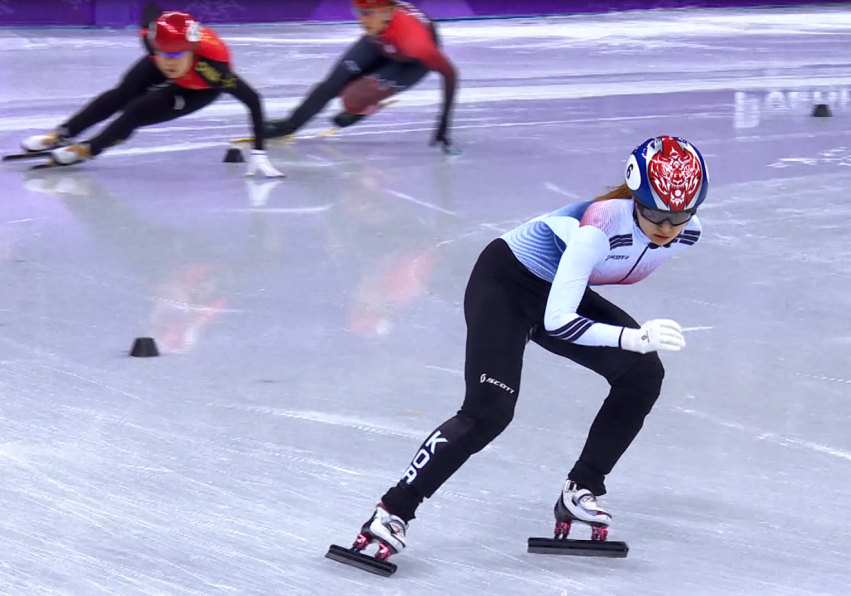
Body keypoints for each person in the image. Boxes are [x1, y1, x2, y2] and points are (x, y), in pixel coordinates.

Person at [344, 135, 709, 563]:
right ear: (633, 197)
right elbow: (558, 321)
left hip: (554, 290)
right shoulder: (598, 229)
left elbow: (567, 303)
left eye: (679, 215)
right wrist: (632, 337)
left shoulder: (688, 234)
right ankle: (392, 512)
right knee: (489, 412)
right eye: (654, 213)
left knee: (643, 374)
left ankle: (582, 489)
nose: (667, 227)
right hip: (505, 284)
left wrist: (633, 346)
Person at [18, 10, 281, 176]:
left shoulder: (213, 70)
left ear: (191, 51)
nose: (169, 61)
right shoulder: (156, 46)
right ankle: (62, 134)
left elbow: (254, 100)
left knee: (136, 111)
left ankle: (87, 150)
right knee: (121, 94)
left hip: (197, 89)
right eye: (163, 52)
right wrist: (164, 54)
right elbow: (150, 11)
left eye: (177, 54)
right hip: (168, 63)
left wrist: (259, 153)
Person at [262, 0, 458, 153]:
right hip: (382, 40)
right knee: (334, 83)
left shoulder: (416, 44)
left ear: (388, 12)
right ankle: (290, 125)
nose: (362, 21)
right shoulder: (377, 22)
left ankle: (363, 109)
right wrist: (292, 124)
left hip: (411, 63)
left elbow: (451, 74)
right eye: (358, 12)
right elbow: (331, 85)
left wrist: (444, 123)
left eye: (367, 14)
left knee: (352, 98)